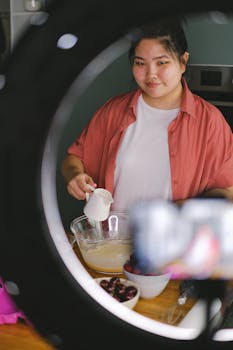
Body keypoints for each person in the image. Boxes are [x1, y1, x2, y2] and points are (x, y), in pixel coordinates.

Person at [61, 17, 233, 213]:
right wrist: (75, 176)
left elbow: (228, 191)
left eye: (162, 62)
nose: (151, 74)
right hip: (111, 239)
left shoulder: (209, 122)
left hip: (175, 240)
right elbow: (73, 159)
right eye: (140, 63)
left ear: (183, 61)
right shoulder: (114, 111)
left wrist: (178, 212)